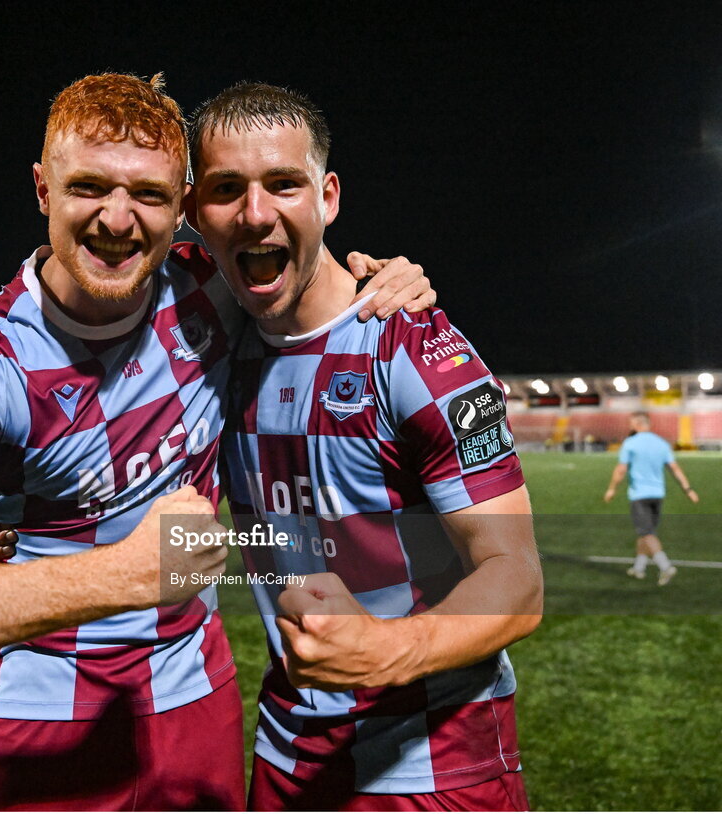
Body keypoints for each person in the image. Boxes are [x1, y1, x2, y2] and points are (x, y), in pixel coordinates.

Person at [0, 73, 433, 811]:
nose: (118, 219)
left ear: (184, 213)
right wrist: (118, 578)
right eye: (90, 187)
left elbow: (296, 262)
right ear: (43, 190)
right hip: (39, 720)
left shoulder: (211, 292)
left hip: (197, 702)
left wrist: (385, 275)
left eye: (150, 196)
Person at [184, 82, 542, 810]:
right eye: (228, 189)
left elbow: (519, 580)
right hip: (287, 755)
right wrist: (12, 513)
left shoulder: (415, 348)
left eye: (284, 183)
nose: (257, 214)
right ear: (195, 214)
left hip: (431, 764)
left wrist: (385, 650)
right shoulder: (208, 346)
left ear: (328, 197)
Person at [603, 411, 698, 585]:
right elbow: (675, 468)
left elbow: (621, 470)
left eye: (631, 423)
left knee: (646, 533)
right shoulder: (661, 443)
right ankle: (639, 568)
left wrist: (611, 489)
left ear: (637, 424)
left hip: (639, 495)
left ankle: (665, 567)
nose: (629, 426)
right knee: (646, 532)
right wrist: (688, 489)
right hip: (657, 495)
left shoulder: (630, 443)